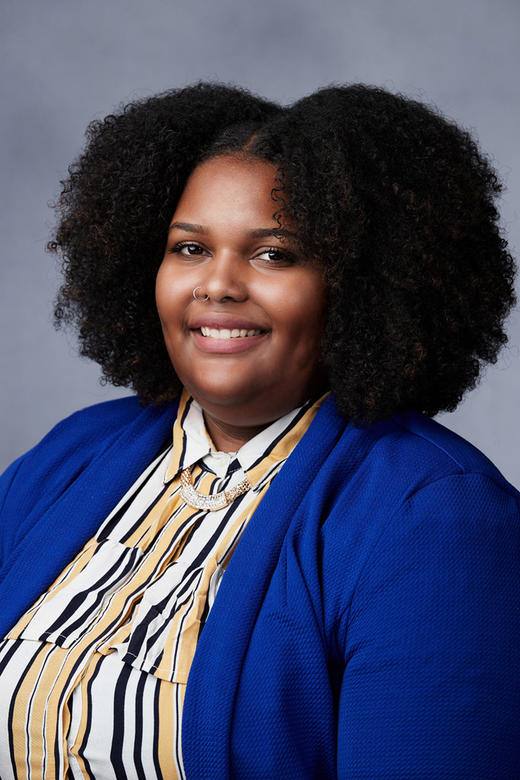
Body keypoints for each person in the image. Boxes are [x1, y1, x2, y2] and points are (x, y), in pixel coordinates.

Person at [0, 81, 518, 779]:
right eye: (189, 248)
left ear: (361, 285)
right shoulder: (75, 454)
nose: (217, 284)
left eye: (274, 254)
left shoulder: (436, 515)